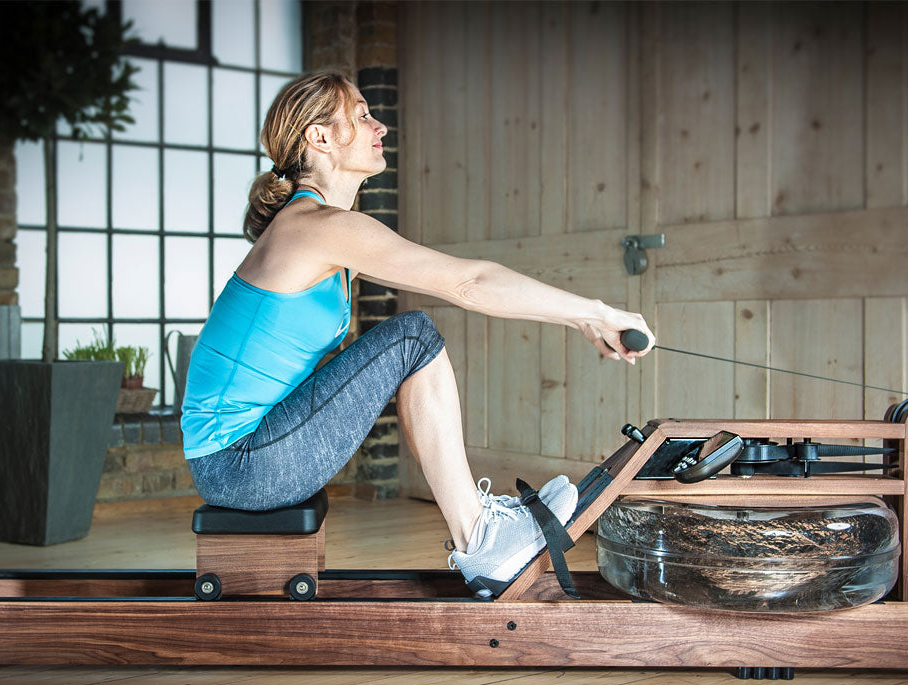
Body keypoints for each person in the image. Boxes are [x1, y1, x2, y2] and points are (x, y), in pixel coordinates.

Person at [182, 71, 654, 597]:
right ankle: (481, 538)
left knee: (412, 339)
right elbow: (470, 283)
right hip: (242, 463)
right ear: (319, 138)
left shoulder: (323, 233)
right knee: (412, 338)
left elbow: (462, 281)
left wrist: (582, 319)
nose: (377, 124)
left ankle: (479, 528)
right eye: (360, 115)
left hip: (241, 458)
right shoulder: (317, 228)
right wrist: (595, 313)